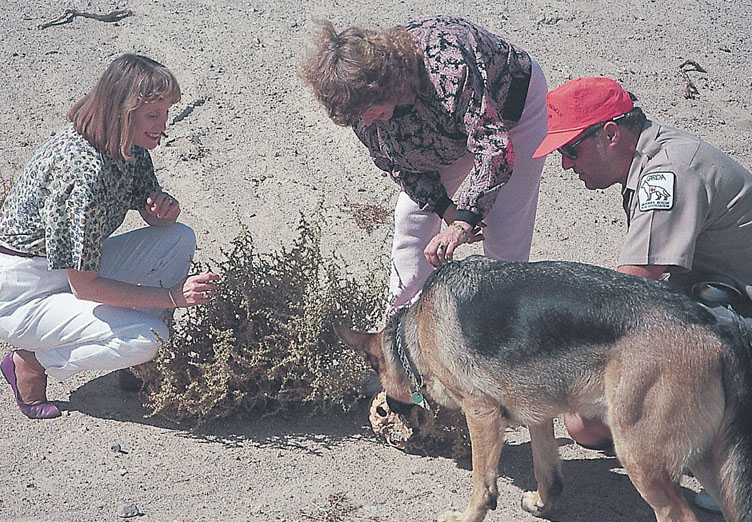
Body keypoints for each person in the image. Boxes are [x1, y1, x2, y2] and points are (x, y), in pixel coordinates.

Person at [532, 76, 752, 513]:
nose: (566, 165)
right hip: (712, 304)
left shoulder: (668, 174)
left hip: (737, 320)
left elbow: (630, 289)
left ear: (611, 133)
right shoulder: (648, 162)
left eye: (570, 149)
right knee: (585, 423)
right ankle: (692, 439)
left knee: (591, 396)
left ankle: (725, 450)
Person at [0, 54, 219, 419]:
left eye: (166, 113)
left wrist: (162, 213)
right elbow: (85, 286)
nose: (163, 125)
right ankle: (31, 359)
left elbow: (150, 212)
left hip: (66, 269)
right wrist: (171, 296)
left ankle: (132, 363)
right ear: (125, 110)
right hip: (19, 293)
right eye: (154, 115)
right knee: (149, 338)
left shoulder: (127, 145)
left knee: (178, 238)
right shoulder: (81, 172)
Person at [301, 15, 548, 308]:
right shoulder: (360, 108)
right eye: (358, 116)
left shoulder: (446, 67)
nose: (366, 121)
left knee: (503, 226)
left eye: (369, 110)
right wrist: (446, 208)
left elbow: (493, 148)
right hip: (445, 132)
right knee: (411, 217)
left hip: (512, 109)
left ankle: (500, 328)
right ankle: (402, 326)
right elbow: (400, 166)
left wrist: (462, 223)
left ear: (386, 84)